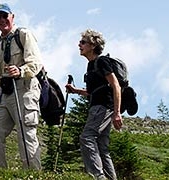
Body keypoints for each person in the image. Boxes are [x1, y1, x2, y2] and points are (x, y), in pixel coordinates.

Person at [0, 3, 43, 170]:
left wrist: (21, 70)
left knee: (26, 134)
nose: (2, 20)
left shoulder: (23, 34)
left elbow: (36, 62)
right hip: (4, 91)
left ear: (12, 16)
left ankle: (32, 174)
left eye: (5, 16)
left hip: (25, 87)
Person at [65, 29, 122, 180]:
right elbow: (93, 92)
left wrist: (117, 113)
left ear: (92, 45)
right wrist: (76, 90)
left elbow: (115, 85)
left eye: (83, 42)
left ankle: (98, 176)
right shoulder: (91, 66)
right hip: (98, 107)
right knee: (102, 147)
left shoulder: (102, 61)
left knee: (87, 137)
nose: (79, 45)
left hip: (103, 107)